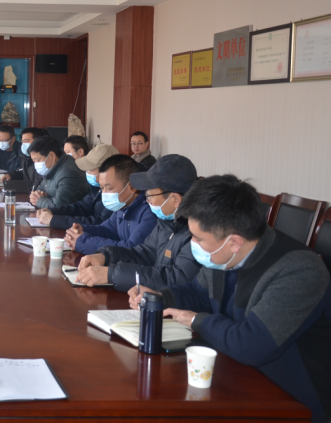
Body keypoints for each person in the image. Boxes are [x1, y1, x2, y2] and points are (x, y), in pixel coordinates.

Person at [129, 175, 331, 423]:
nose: (193, 244)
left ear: (234, 242)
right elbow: (198, 292)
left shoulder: (298, 270)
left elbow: (251, 345)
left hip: (291, 400)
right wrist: (160, 297)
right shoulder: (224, 254)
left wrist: (196, 320)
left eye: (198, 238)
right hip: (234, 374)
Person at [74, 154, 201, 291]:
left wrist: (112, 274)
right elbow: (144, 254)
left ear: (175, 199)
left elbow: (175, 279)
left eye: (150, 195)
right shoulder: (166, 221)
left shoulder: (199, 232)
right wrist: (105, 256)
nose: (147, 200)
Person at [64, 154, 156, 255]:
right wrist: (83, 230)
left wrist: (82, 242)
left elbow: (131, 249)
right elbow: (107, 230)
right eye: (102, 188)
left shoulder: (150, 212)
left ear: (132, 187)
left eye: (109, 188)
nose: (104, 193)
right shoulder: (123, 206)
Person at [35, 144, 119, 230]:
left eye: (90, 169)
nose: (87, 172)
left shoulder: (114, 195)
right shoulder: (97, 189)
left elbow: (100, 223)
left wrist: (54, 220)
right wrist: (52, 211)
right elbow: (81, 207)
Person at [28, 136, 90, 209]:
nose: (36, 164)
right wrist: (37, 197)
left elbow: (59, 206)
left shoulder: (68, 172)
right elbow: (38, 191)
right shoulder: (52, 168)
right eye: (34, 161)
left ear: (52, 156)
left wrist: (40, 201)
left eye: (38, 160)